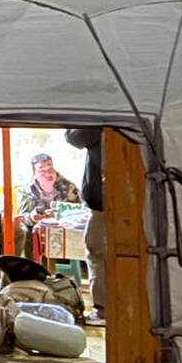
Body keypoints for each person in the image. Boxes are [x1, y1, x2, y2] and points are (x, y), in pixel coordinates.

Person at [65, 128, 106, 300]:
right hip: (129, 200)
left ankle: (102, 307)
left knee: (98, 255)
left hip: (102, 204)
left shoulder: (99, 124)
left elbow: (74, 137)